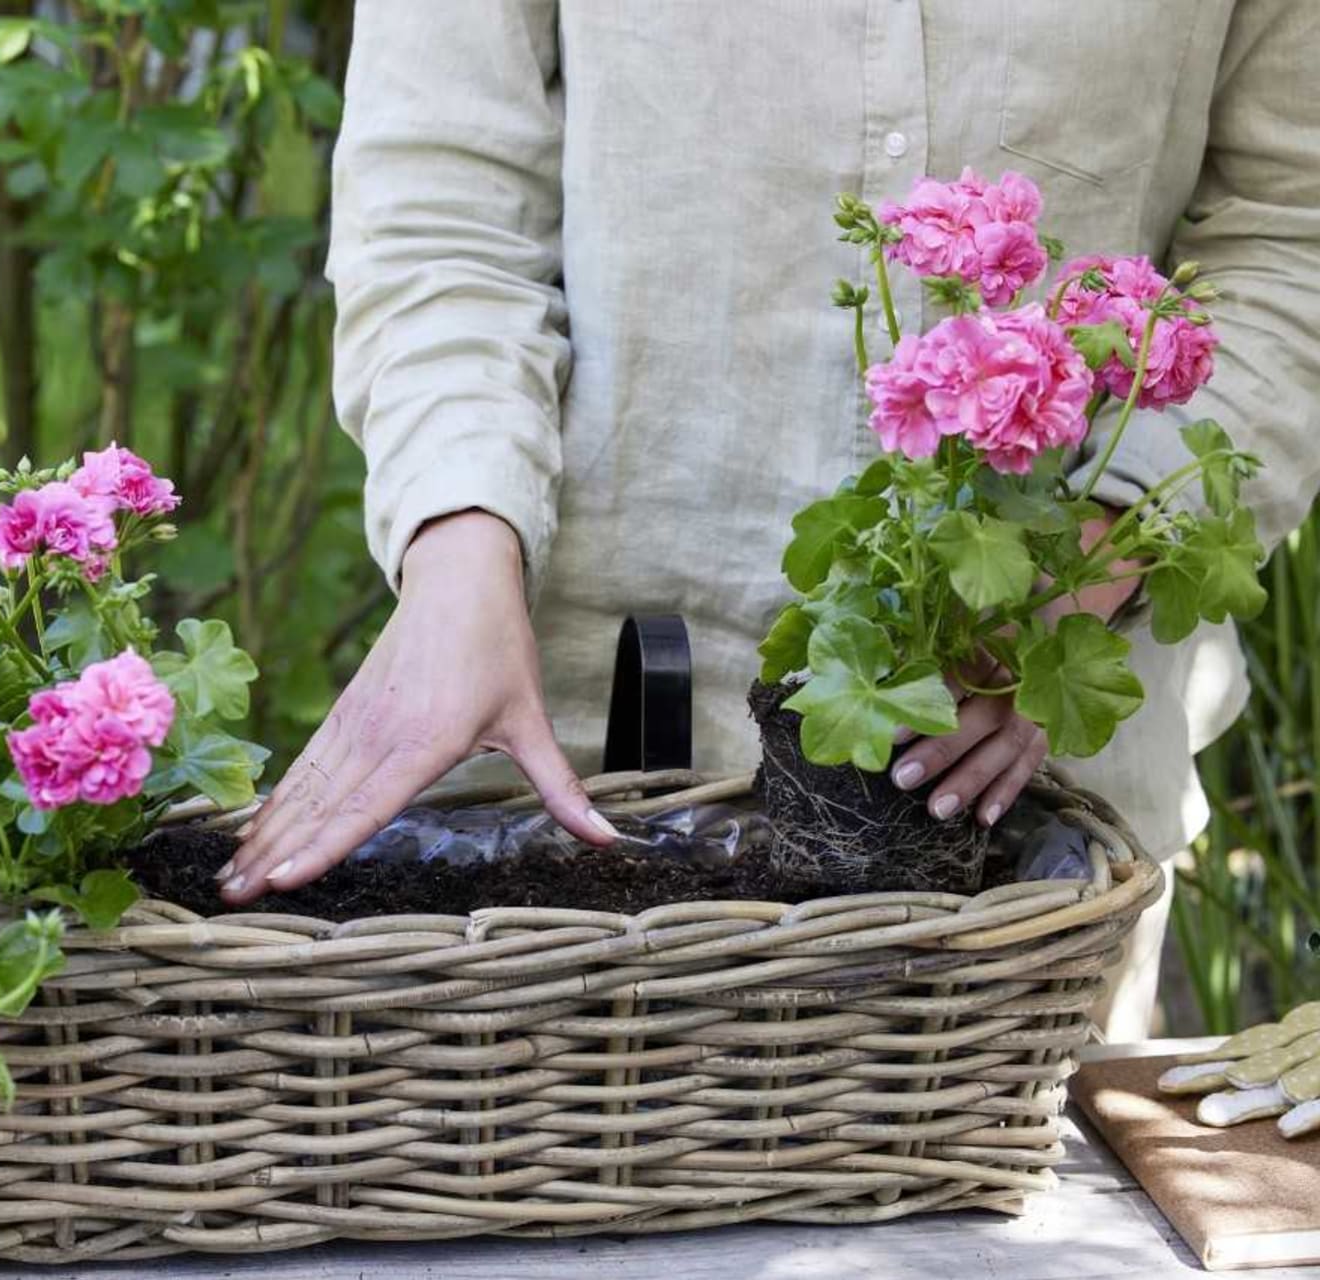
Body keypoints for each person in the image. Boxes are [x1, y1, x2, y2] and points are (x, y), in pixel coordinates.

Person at [219, 1, 1320, 1038]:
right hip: (569, 786)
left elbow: (1293, 230)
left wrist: (1060, 588)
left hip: (1019, 829)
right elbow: (441, 205)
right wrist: (457, 543)